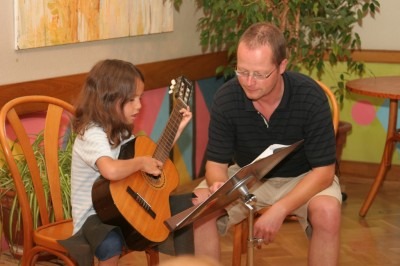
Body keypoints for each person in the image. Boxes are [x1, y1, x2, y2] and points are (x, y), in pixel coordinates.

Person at [192, 22, 342, 266]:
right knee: (199, 208)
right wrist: (218, 185)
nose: (249, 82)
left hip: (304, 177)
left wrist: (280, 209)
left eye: (260, 74)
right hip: (248, 176)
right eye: (242, 71)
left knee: (328, 212)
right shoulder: (227, 98)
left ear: (282, 66)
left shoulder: (309, 96)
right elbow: (216, 163)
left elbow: (324, 173)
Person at [59, 59, 192, 266]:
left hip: (126, 205)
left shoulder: (119, 128)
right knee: (111, 242)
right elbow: (110, 170)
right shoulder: (91, 132)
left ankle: (188, 262)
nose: (139, 105)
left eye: (140, 98)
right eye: (131, 100)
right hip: (93, 215)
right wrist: (140, 163)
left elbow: (152, 162)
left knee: (185, 208)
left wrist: (177, 129)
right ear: (107, 100)